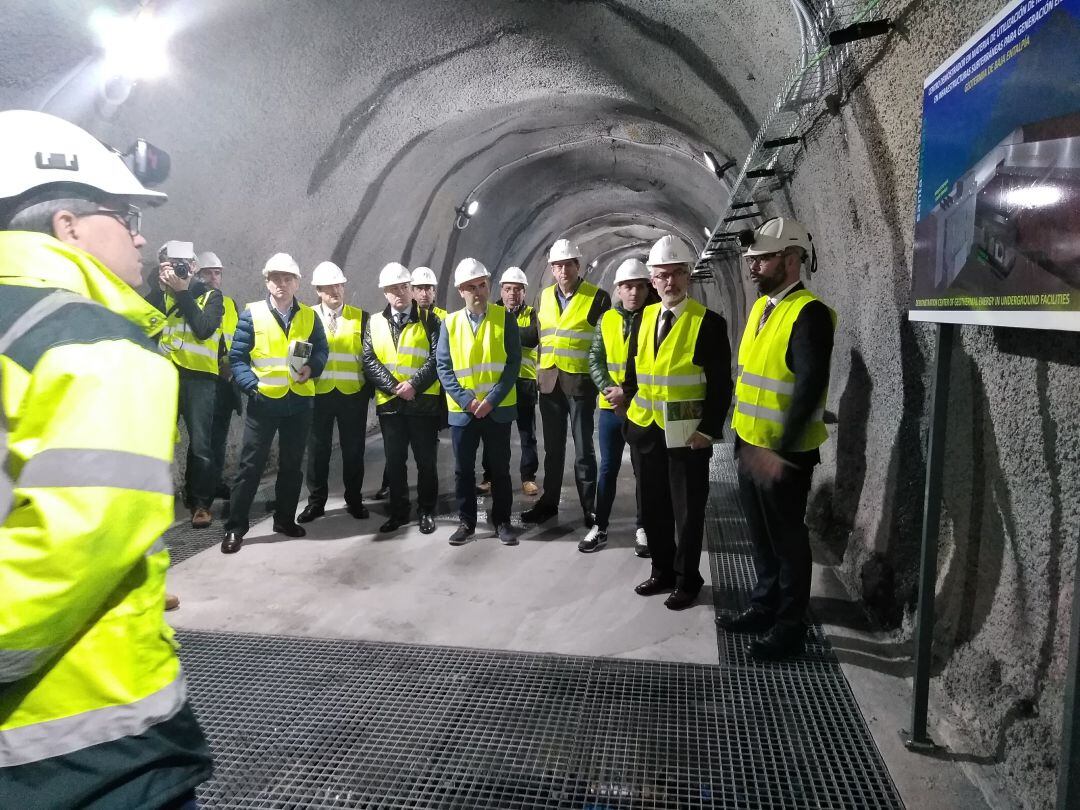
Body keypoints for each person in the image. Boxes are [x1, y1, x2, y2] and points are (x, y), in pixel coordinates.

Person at [0, 109, 211, 808]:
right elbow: (72, 549)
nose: (141, 234)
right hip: (82, 750)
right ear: (67, 225)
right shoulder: (90, 343)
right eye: (122, 215)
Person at [717, 217, 835, 660]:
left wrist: (778, 450)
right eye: (752, 260)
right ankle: (764, 606)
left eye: (763, 259)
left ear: (791, 259)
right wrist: (743, 440)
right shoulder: (762, 310)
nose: (754, 267)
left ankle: (790, 626)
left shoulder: (809, 313)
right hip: (752, 443)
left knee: (788, 540)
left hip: (783, 455)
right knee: (761, 537)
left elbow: (808, 387)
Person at [624, 235, 732, 611]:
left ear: (688, 276)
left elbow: (721, 385)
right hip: (646, 431)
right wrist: (629, 422)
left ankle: (688, 579)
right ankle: (662, 571)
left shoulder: (709, 323)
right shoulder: (644, 317)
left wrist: (708, 430)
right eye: (662, 276)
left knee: (688, 512)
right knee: (652, 507)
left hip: (687, 434)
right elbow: (631, 375)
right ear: (652, 279)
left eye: (676, 274)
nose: (669, 283)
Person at [221, 252, 328, 553]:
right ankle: (235, 528)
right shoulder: (251, 314)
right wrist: (251, 387)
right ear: (267, 282)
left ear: (297, 282)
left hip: (299, 402)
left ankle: (284, 519)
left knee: (292, 466)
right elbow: (238, 358)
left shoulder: (309, 315)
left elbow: (321, 349)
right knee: (250, 466)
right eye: (275, 279)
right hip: (264, 401)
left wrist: (313, 367)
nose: (281, 284)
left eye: (287, 278)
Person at [522, 238, 610, 526]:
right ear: (551, 268)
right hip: (549, 383)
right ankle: (549, 503)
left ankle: (590, 508)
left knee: (584, 449)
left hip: (580, 384)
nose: (562, 271)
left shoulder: (597, 297)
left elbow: (605, 345)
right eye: (557, 266)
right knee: (554, 450)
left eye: (567, 265)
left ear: (577, 266)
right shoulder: (543, 296)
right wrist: (503, 329)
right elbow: (535, 335)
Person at [437, 258, 521, 546]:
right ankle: (467, 522)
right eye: (471, 287)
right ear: (461, 290)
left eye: (482, 285)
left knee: (499, 469)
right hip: (464, 412)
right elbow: (444, 367)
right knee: (463, 471)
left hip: (496, 410)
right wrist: (467, 401)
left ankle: (502, 521)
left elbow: (513, 364)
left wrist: (491, 400)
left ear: (488, 286)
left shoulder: (505, 318)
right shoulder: (449, 324)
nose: (478, 292)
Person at [147, 241, 225, 528]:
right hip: (164, 376)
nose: (180, 269)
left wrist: (182, 292)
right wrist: (163, 290)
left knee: (201, 445)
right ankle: (155, 501)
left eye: (184, 264)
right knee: (156, 441)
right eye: (172, 264)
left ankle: (201, 503)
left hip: (199, 380)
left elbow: (204, 329)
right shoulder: (156, 297)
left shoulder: (210, 296)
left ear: (193, 267)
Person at [361, 262, 441, 534]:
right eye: (392, 289)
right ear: (384, 293)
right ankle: (398, 511)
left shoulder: (431, 319)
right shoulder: (374, 322)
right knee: (395, 462)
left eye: (404, 287)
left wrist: (414, 385)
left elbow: (437, 358)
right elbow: (369, 359)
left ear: (411, 288)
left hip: (423, 403)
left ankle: (427, 510)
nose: (399, 293)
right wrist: (395, 386)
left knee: (426, 461)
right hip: (391, 404)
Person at [579, 257, 651, 555]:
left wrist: (629, 395)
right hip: (610, 408)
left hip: (641, 407)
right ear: (618, 290)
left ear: (647, 289)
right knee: (608, 468)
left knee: (641, 470)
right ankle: (601, 525)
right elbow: (595, 359)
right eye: (627, 286)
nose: (633, 292)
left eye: (638, 286)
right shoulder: (606, 319)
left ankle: (643, 527)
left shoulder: (655, 318)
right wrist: (611, 392)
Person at [298, 261, 371, 523]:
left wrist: (368, 391)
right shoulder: (305, 316)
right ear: (318, 290)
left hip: (353, 394)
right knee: (317, 451)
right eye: (329, 288)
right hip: (318, 394)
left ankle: (354, 500)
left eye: (339, 285)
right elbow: (299, 354)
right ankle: (316, 503)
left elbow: (370, 357)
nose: (335, 291)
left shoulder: (361, 317)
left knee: (354, 451)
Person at [487, 266, 540, 496]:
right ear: (501, 290)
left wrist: (507, 332)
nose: (512, 294)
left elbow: (532, 338)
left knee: (527, 434)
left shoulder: (531, 313)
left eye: (517, 290)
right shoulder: (490, 312)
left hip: (525, 382)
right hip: (499, 383)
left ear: (524, 292)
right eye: (508, 289)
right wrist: (517, 333)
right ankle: (491, 477)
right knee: (496, 434)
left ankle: (528, 477)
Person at [194, 250, 241, 505]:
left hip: (225, 381)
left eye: (217, 273)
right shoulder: (194, 303)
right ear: (198, 275)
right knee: (201, 441)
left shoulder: (230, 304)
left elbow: (237, 340)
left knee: (219, 437)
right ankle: (198, 491)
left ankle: (215, 482)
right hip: (203, 379)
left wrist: (232, 368)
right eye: (208, 273)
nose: (214, 277)